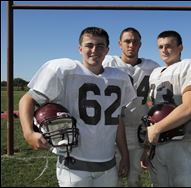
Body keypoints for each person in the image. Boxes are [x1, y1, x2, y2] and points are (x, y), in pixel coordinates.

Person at [18, 26, 136, 187]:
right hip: (73, 164)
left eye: (100, 46)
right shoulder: (64, 71)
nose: (94, 50)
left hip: (108, 164)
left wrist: (125, 155)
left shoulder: (120, 78)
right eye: (89, 45)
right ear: (80, 48)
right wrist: (28, 133)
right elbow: (27, 100)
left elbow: (117, 121)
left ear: (107, 49)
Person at [140, 30, 191, 187]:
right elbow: (153, 109)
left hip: (180, 140)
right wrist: (148, 145)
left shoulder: (190, 66)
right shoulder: (155, 73)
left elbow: (189, 108)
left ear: (180, 47)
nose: (164, 50)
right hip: (157, 141)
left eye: (169, 46)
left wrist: (156, 129)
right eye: (160, 46)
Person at [103, 27, 160, 186]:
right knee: (113, 179)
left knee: (135, 178)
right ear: (119, 44)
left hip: (138, 129)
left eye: (135, 41)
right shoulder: (108, 62)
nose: (131, 45)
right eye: (127, 41)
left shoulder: (152, 67)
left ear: (140, 44)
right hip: (112, 128)